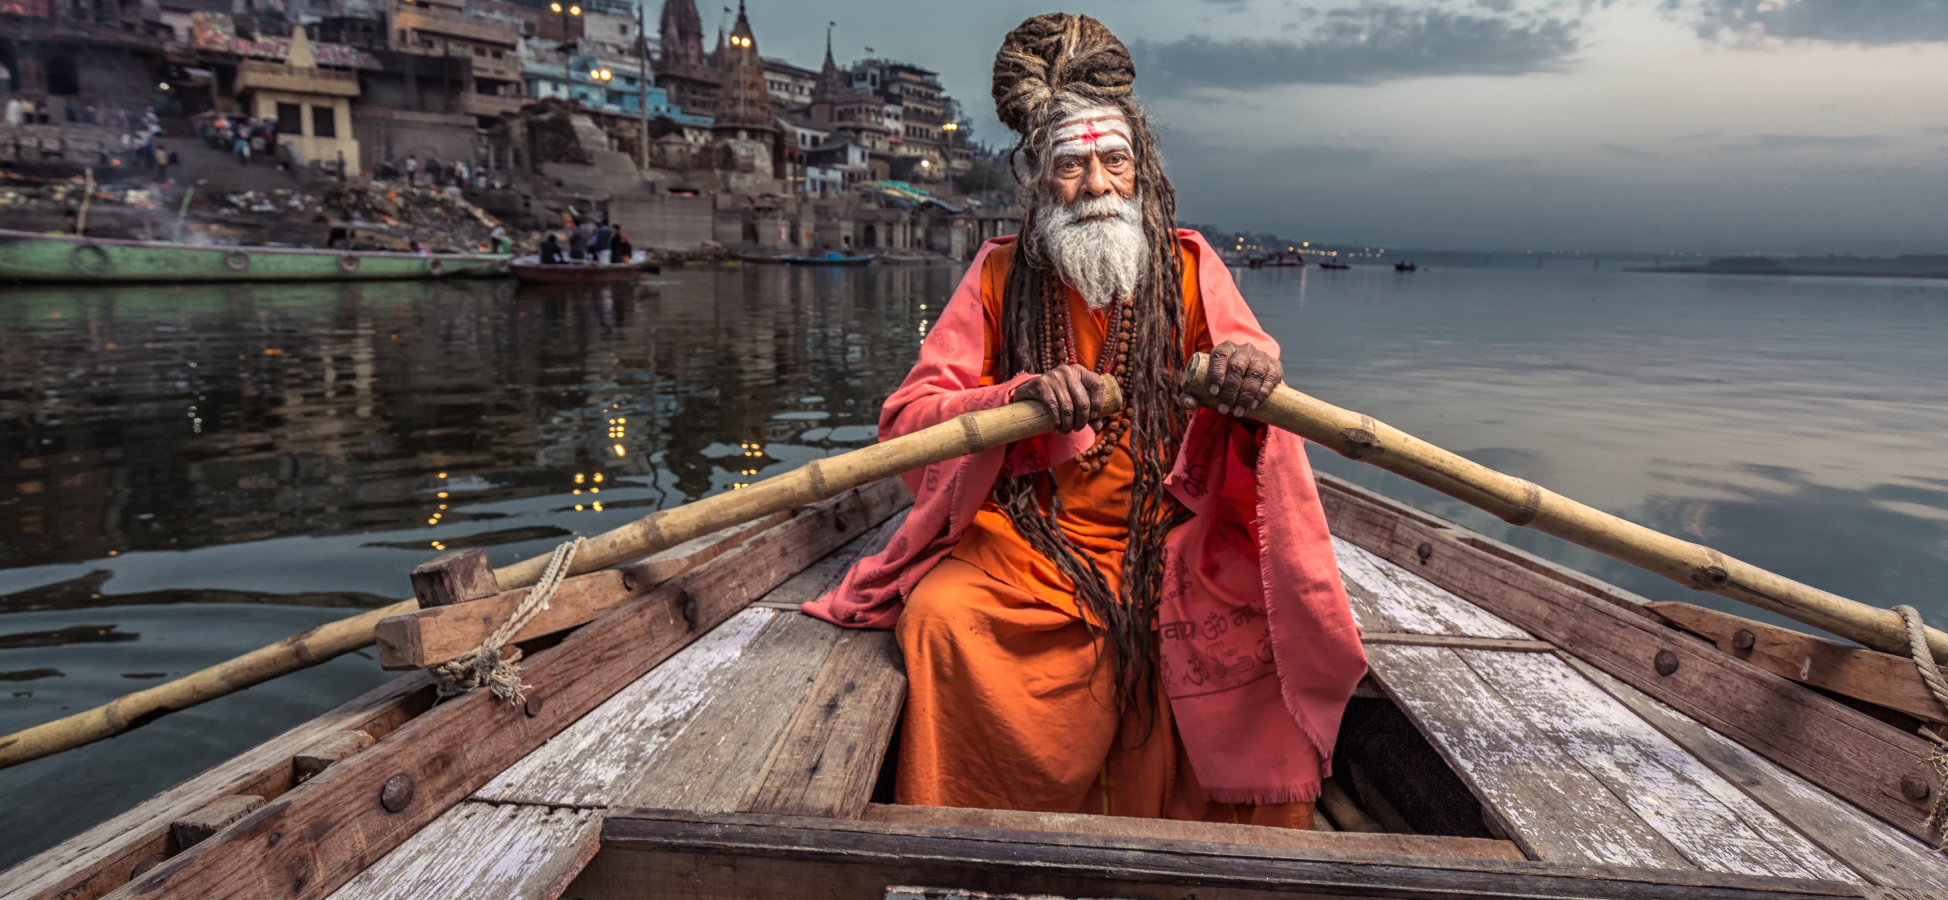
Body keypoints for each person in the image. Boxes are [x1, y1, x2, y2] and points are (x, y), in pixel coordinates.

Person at [805, 13, 1363, 828]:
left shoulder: (1188, 267)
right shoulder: (999, 272)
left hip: (1173, 538)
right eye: (1071, 165)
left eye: (1116, 161)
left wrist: (1253, 374)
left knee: (1267, 624)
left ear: (1143, 172)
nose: (1098, 184)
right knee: (941, 620)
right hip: (1027, 547)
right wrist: (1017, 399)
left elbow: (1254, 361)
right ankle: (977, 851)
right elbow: (909, 422)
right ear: (1036, 179)